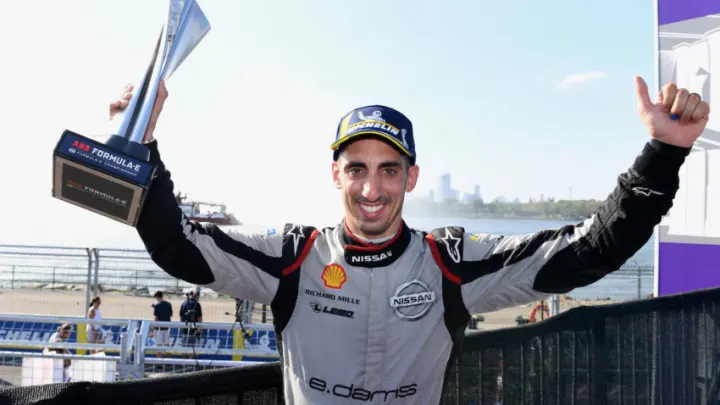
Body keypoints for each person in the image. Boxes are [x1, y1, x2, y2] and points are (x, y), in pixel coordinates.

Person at [109, 77, 710, 404]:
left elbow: (591, 250)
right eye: (357, 168)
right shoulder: (293, 255)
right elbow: (179, 246)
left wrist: (664, 153)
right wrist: (139, 142)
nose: (372, 188)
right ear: (336, 175)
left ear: (412, 178)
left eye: (389, 170)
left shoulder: (451, 262)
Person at [179, 290, 203, 357]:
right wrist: (201, 329)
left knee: (184, 348)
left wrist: (183, 325)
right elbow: (199, 318)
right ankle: (191, 361)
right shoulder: (197, 304)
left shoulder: (184, 303)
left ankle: (184, 361)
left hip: (185, 328)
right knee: (191, 349)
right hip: (193, 328)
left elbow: (181, 316)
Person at [151, 290, 173, 358]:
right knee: (167, 347)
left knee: (159, 347)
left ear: (157, 297)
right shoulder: (169, 304)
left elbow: (156, 319)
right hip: (167, 328)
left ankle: (159, 363)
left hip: (159, 329)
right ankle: (169, 362)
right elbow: (170, 315)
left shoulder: (157, 306)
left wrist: (152, 330)